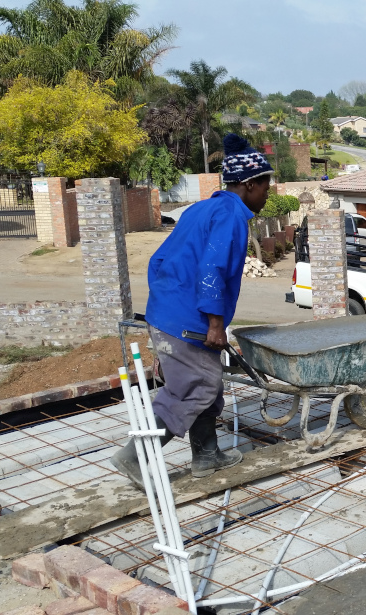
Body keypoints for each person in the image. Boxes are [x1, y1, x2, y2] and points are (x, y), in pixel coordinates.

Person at [110, 134, 273, 488]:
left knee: (206, 386)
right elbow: (212, 271)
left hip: (168, 312)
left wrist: (164, 307)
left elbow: (160, 259)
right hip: (189, 319)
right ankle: (134, 457)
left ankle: (207, 455)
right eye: (266, 188)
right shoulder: (231, 217)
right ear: (250, 184)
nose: (267, 195)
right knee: (195, 388)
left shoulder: (202, 208)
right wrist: (215, 323)